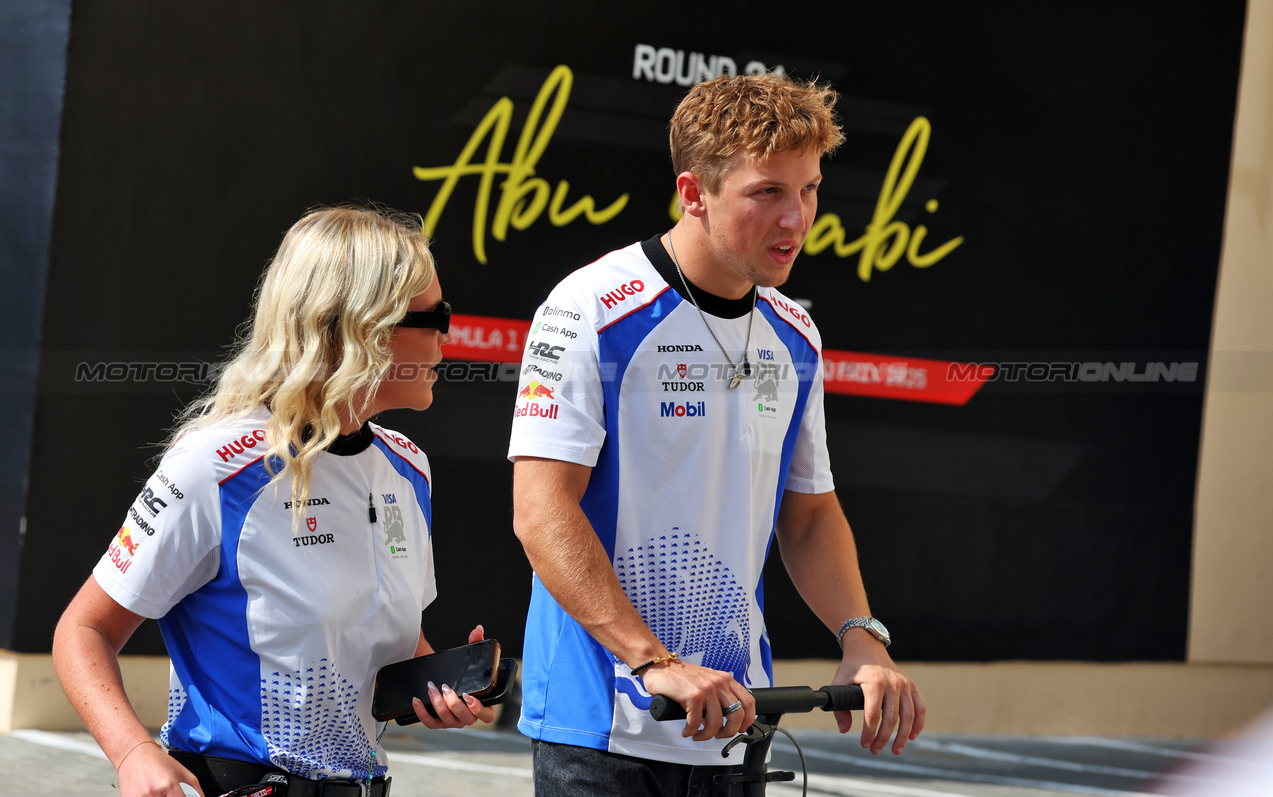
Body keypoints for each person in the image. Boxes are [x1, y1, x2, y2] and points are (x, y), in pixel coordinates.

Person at [508, 74, 926, 794]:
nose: (796, 219)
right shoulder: (587, 309)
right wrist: (652, 661)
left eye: (809, 189)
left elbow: (809, 512)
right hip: (600, 727)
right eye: (767, 192)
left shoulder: (794, 333)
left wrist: (861, 636)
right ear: (693, 194)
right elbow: (541, 510)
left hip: (736, 727)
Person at [53, 205, 495, 797]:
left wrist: (438, 686)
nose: (449, 334)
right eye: (435, 316)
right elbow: (82, 629)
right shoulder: (216, 467)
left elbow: (372, 641)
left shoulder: (408, 467)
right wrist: (133, 754)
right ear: (360, 326)